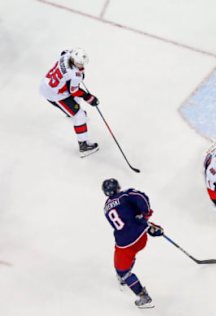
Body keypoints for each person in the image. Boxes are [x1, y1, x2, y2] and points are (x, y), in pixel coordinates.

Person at [102, 178, 164, 309]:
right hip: (140, 238)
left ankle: (143, 296)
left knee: (122, 272)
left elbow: (124, 219)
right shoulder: (125, 195)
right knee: (131, 251)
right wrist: (145, 216)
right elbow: (141, 197)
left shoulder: (106, 208)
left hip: (125, 243)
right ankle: (151, 228)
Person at [39, 48, 100, 157]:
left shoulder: (67, 56)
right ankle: (84, 146)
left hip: (46, 84)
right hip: (54, 94)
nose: (82, 66)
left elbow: (63, 52)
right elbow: (74, 91)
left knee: (76, 100)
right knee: (80, 116)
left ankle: (70, 112)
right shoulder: (75, 75)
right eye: (80, 64)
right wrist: (89, 97)